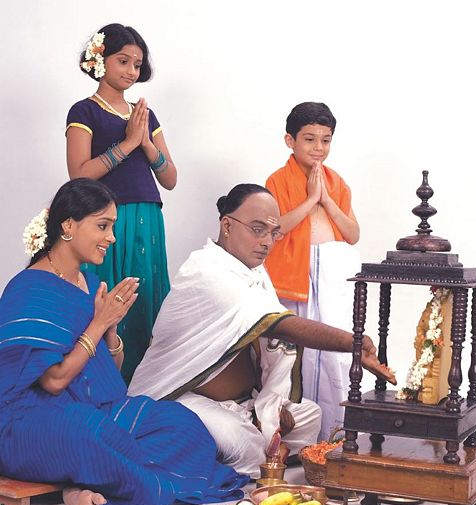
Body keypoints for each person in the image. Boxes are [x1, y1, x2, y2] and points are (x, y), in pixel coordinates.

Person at [0, 179, 247, 505]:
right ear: (68, 225)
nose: (111, 237)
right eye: (103, 226)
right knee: (91, 434)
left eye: (112, 227)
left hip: (94, 408)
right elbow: (54, 381)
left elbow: (107, 373)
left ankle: (82, 480)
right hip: (32, 420)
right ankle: (80, 488)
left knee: (183, 425)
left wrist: (111, 331)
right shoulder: (29, 288)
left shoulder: (86, 280)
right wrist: (99, 322)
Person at [129, 184, 390, 479]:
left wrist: (269, 405)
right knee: (246, 446)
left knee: (309, 415)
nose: (267, 242)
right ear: (227, 225)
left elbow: (268, 347)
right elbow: (282, 325)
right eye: (257, 229)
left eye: (273, 232)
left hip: (242, 402)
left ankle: (262, 445)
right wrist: (353, 342)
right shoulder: (206, 272)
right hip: (179, 398)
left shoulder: (253, 271)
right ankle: (251, 454)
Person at [66, 24, 177, 383]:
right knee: (107, 295)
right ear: (100, 60)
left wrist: (144, 143)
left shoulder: (145, 114)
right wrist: (128, 144)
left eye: (137, 64)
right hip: (106, 219)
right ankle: (105, 382)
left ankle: (148, 385)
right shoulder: (84, 112)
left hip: (148, 216)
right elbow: (79, 175)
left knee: (146, 299)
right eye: (123, 61)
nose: (131, 71)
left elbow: (170, 178)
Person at [265, 102, 361, 439]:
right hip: (295, 278)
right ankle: (299, 436)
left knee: (333, 355)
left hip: (331, 275)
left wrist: (325, 199)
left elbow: (352, 234)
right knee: (292, 357)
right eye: (309, 139)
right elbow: (274, 229)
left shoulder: (336, 183)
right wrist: (308, 200)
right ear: (290, 141)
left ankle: (336, 433)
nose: (318, 148)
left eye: (325, 140)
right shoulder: (278, 181)